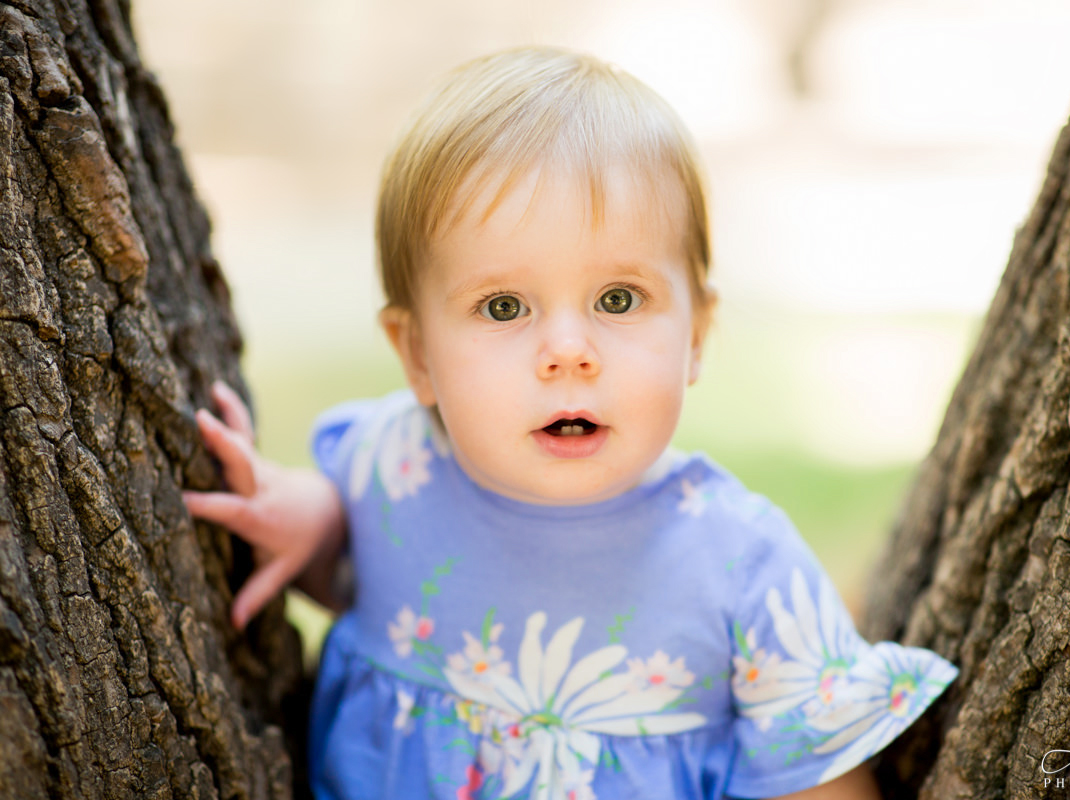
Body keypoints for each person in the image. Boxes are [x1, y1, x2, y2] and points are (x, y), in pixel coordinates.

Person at [184, 47, 957, 800]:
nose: (568, 352)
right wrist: (312, 524)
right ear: (417, 354)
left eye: (618, 299)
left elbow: (816, 779)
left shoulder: (742, 564)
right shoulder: (394, 466)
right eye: (504, 307)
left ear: (696, 334)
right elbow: (359, 561)